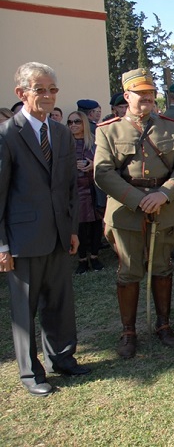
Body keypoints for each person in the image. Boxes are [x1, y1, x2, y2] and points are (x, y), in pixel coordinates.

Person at [1, 62, 90, 397]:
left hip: (58, 234)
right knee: (25, 307)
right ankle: (30, 373)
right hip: (22, 239)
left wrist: (71, 229)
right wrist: (2, 246)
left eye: (53, 89)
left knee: (60, 302)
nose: (50, 96)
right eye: (41, 89)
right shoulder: (7, 134)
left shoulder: (61, 133)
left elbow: (67, 187)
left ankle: (62, 359)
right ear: (21, 93)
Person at [95, 68, 174, 358]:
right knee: (129, 271)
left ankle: (163, 325)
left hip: (164, 208)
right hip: (126, 211)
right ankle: (128, 331)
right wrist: (138, 199)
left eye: (151, 94)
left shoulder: (172, 128)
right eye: (141, 94)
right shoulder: (108, 130)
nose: (147, 99)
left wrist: (164, 194)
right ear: (127, 96)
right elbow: (102, 173)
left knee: (162, 267)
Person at [67, 110, 104, 274]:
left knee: (96, 224)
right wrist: (72, 166)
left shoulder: (95, 142)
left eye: (77, 121)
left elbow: (105, 162)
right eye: (70, 122)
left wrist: (92, 164)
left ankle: (95, 256)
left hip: (93, 187)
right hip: (75, 190)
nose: (73, 125)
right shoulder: (65, 144)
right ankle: (82, 259)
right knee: (79, 225)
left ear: (84, 123)